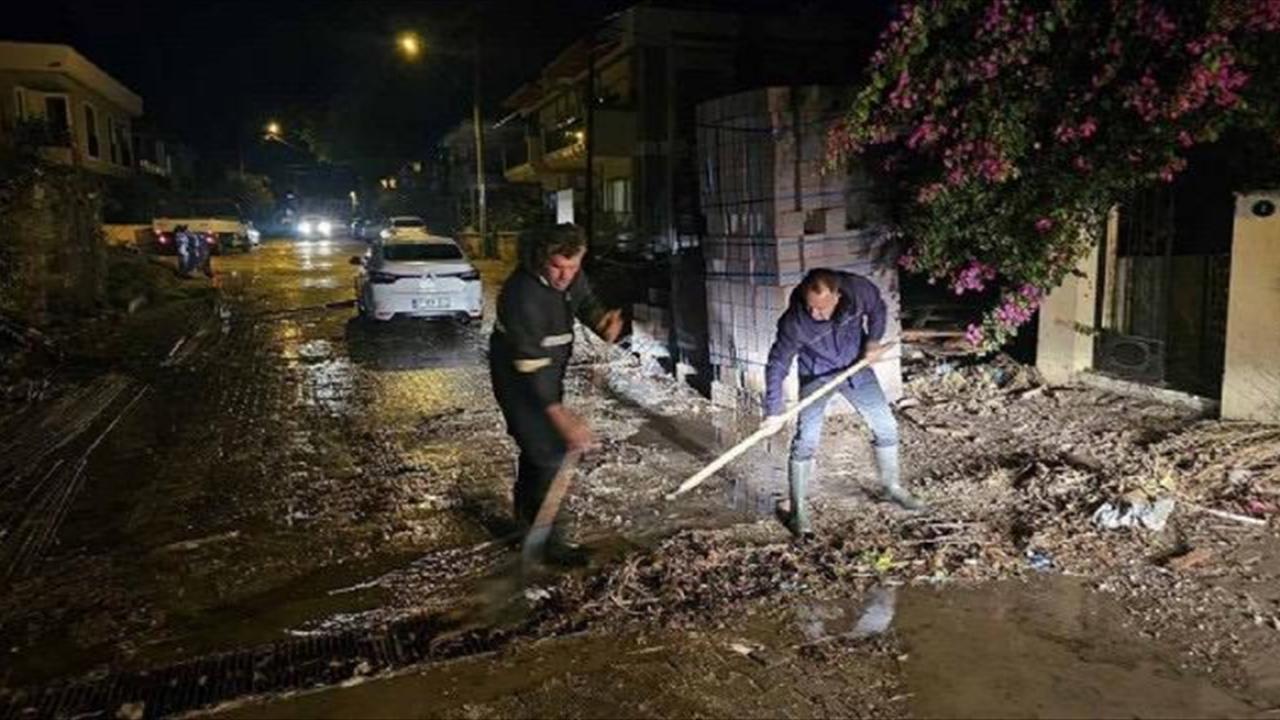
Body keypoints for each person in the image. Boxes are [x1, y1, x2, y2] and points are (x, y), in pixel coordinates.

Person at [489, 222, 623, 563]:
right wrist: (561, 416)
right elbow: (532, 373)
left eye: (573, 267)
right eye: (557, 268)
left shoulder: (571, 276)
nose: (565, 276)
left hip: (550, 370)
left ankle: (525, 517)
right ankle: (550, 547)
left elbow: (583, 301)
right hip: (518, 379)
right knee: (549, 451)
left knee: (537, 449)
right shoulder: (521, 296)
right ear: (539, 259)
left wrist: (600, 320)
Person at [762, 268, 923, 538]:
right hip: (816, 375)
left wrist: (872, 341)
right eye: (811, 307)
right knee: (806, 440)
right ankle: (798, 512)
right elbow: (777, 365)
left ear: (838, 295)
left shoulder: (858, 290)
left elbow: (878, 309)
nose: (816, 314)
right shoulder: (795, 322)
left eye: (822, 309)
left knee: (886, 427)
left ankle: (892, 488)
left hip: (855, 368)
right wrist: (773, 411)